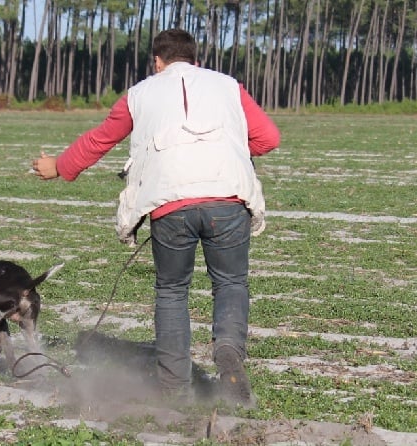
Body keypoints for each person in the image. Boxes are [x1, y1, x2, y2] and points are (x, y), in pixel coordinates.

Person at [32, 28, 280, 407]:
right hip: (228, 200)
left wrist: (59, 166)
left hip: (170, 203)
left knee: (171, 291)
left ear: (157, 62)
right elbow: (268, 138)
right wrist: (222, 145)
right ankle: (228, 351)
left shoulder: (139, 93)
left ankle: (175, 390)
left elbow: (101, 139)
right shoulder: (228, 86)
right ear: (196, 61)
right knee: (230, 282)